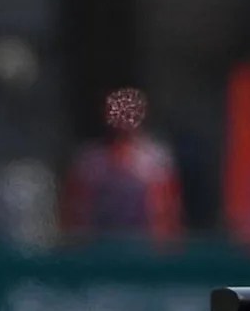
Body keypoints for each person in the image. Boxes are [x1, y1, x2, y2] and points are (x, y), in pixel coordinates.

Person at [62, 86, 183, 245]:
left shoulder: (155, 158)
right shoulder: (89, 160)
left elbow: (166, 211)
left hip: (142, 246)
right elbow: (75, 212)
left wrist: (162, 250)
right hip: (99, 247)